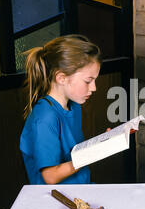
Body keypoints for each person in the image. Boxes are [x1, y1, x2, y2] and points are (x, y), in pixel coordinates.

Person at [20, 34, 101, 185]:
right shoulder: (45, 118)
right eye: (88, 81)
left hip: (82, 190)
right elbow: (50, 177)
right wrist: (94, 153)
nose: (94, 88)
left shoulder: (74, 104)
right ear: (61, 78)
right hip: (57, 201)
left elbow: (74, 152)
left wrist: (107, 143)